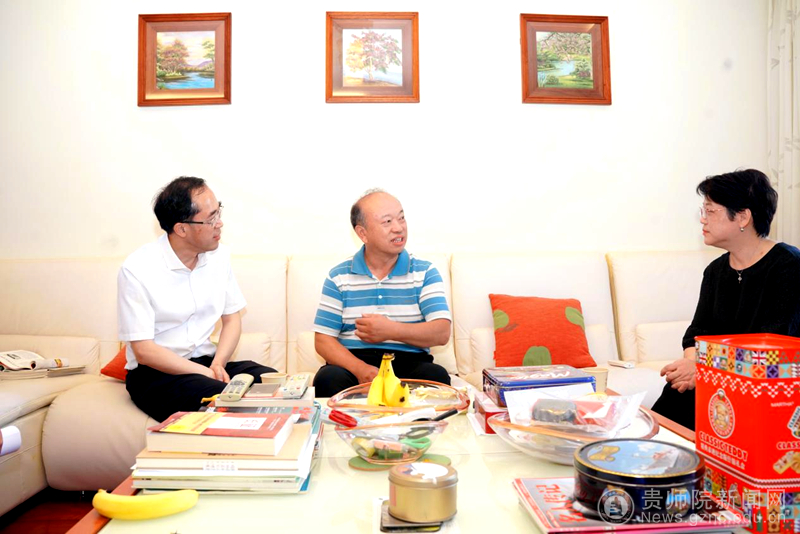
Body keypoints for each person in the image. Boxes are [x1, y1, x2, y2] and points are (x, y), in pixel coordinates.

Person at [118, 177, 276, 422]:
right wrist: (206, 373)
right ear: (182, 229)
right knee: (226, 400)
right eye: (211, 218)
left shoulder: (218, 256)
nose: (219, 223)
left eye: (218, 212)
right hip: (157, 374)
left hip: (207, 362)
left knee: (275, 385)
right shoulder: (138, 269)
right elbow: (145, 351)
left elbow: (232, 319)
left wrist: (218, 364)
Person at [651, 169, 800, 430]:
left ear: (743, 217)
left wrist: (703, 369)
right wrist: (693, 364)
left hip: (767, 389)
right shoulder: (715, 271)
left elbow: (770, 348)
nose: (702, 219)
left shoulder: (788, 266)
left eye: (710, 211)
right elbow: (697, 333)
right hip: (718, 378)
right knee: (668, 409)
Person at [311, 189, 452, 397]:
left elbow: (441, 332)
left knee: (436, 376)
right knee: (327, 379)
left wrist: (390, 330)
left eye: (401, 218)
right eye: (387, 221)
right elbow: (323, 340)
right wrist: (361, 370)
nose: (398, 228)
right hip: (354, 363)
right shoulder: (338, 276)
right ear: (363, 233)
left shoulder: (425, 272)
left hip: (409, 362)